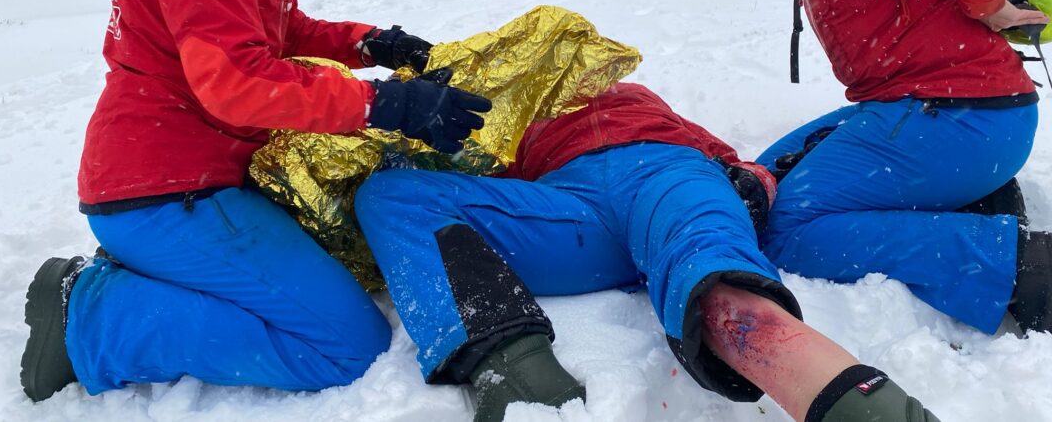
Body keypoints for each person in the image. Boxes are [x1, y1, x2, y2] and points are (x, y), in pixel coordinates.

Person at [18, 0, 490, 403]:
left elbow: (280, 29)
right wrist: (383, 104)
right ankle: (92, 318)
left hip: (204, 178)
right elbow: (235, 80)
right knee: (347, 347)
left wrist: (371, 43)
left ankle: (164, 276)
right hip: (164, 189)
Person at [680, 0, 1052, 341]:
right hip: (926, 111)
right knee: (760, 182)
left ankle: (1026, 266)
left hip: (966, 117)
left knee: (786, 230)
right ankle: (970, 199)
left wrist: (985, 0)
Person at [355, 83, 940, 422]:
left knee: (717, 286)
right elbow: (479, 186)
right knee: (391, 194)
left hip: (666, 175)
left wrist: (751, 179)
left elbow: (734, 163)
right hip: (569, 210)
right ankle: (518, 383)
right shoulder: (518, 120)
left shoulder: (642, 101)